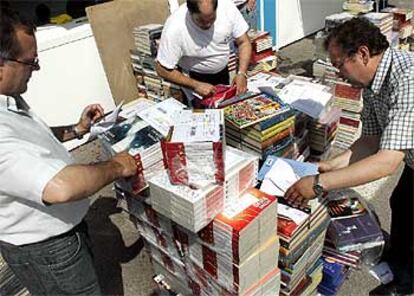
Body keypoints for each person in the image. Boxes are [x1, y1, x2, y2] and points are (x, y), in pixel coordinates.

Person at [0, 9, 137, 295]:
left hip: (61, 233)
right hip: (47, 249)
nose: (35, 70)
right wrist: (116, 166)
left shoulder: (8, 101)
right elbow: (60, 188)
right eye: (30, 63)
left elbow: (31, 139)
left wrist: (76, 129)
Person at [285, 17, 414, 294]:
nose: (338, 74)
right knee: (401, 201)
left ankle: (406, 285)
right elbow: (370, 141)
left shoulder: (408, 79)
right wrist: (330, 165)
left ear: (363, 53)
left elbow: (387, 162)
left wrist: (320, 184)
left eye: (339, 64)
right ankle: (400, 263)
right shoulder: (373, 83)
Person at [155, 0, 252, 106]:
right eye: (201, 21)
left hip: (222, 74)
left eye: (212, 19)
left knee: (224, 111)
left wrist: (241, 73)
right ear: (190, 12)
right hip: (192, 79)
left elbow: (244, 42)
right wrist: (196, 85)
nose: (208, 24)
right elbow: (162, 69)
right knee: (200, 116)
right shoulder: (175, 27)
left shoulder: (227, 8)